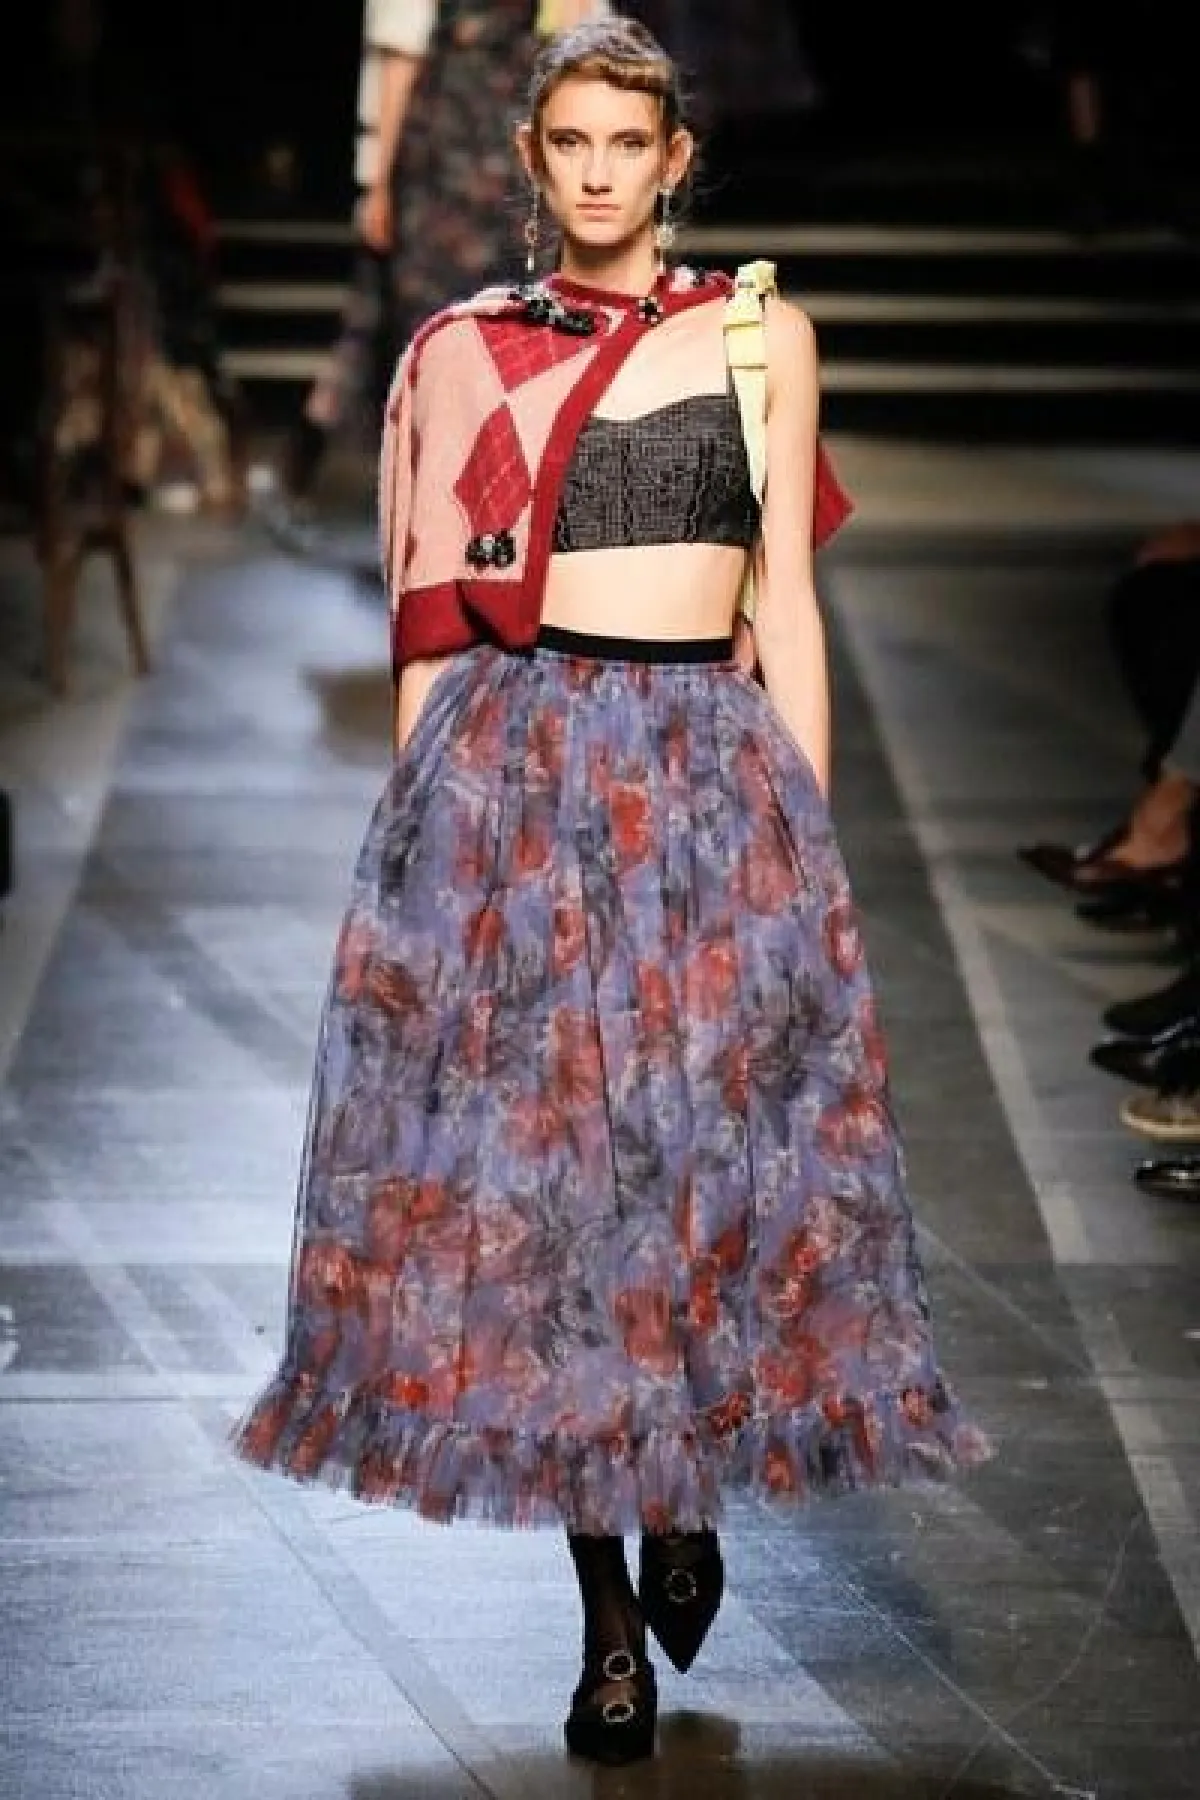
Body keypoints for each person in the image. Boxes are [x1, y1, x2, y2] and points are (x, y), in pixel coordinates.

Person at [232, 17, 990, 1768]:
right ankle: (605, 1635)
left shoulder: (759, 338)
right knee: (564, 1213)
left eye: (624, 145)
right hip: (523, 780)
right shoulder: (463, 352)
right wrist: (425, 871)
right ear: (531, 161)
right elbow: (435, 618)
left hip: (711, 788)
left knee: (699, 1174)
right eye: (567, 142)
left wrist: (808, 842)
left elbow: (785, 600)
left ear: (674, 161)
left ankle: (687, 1496)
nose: (595, 172)